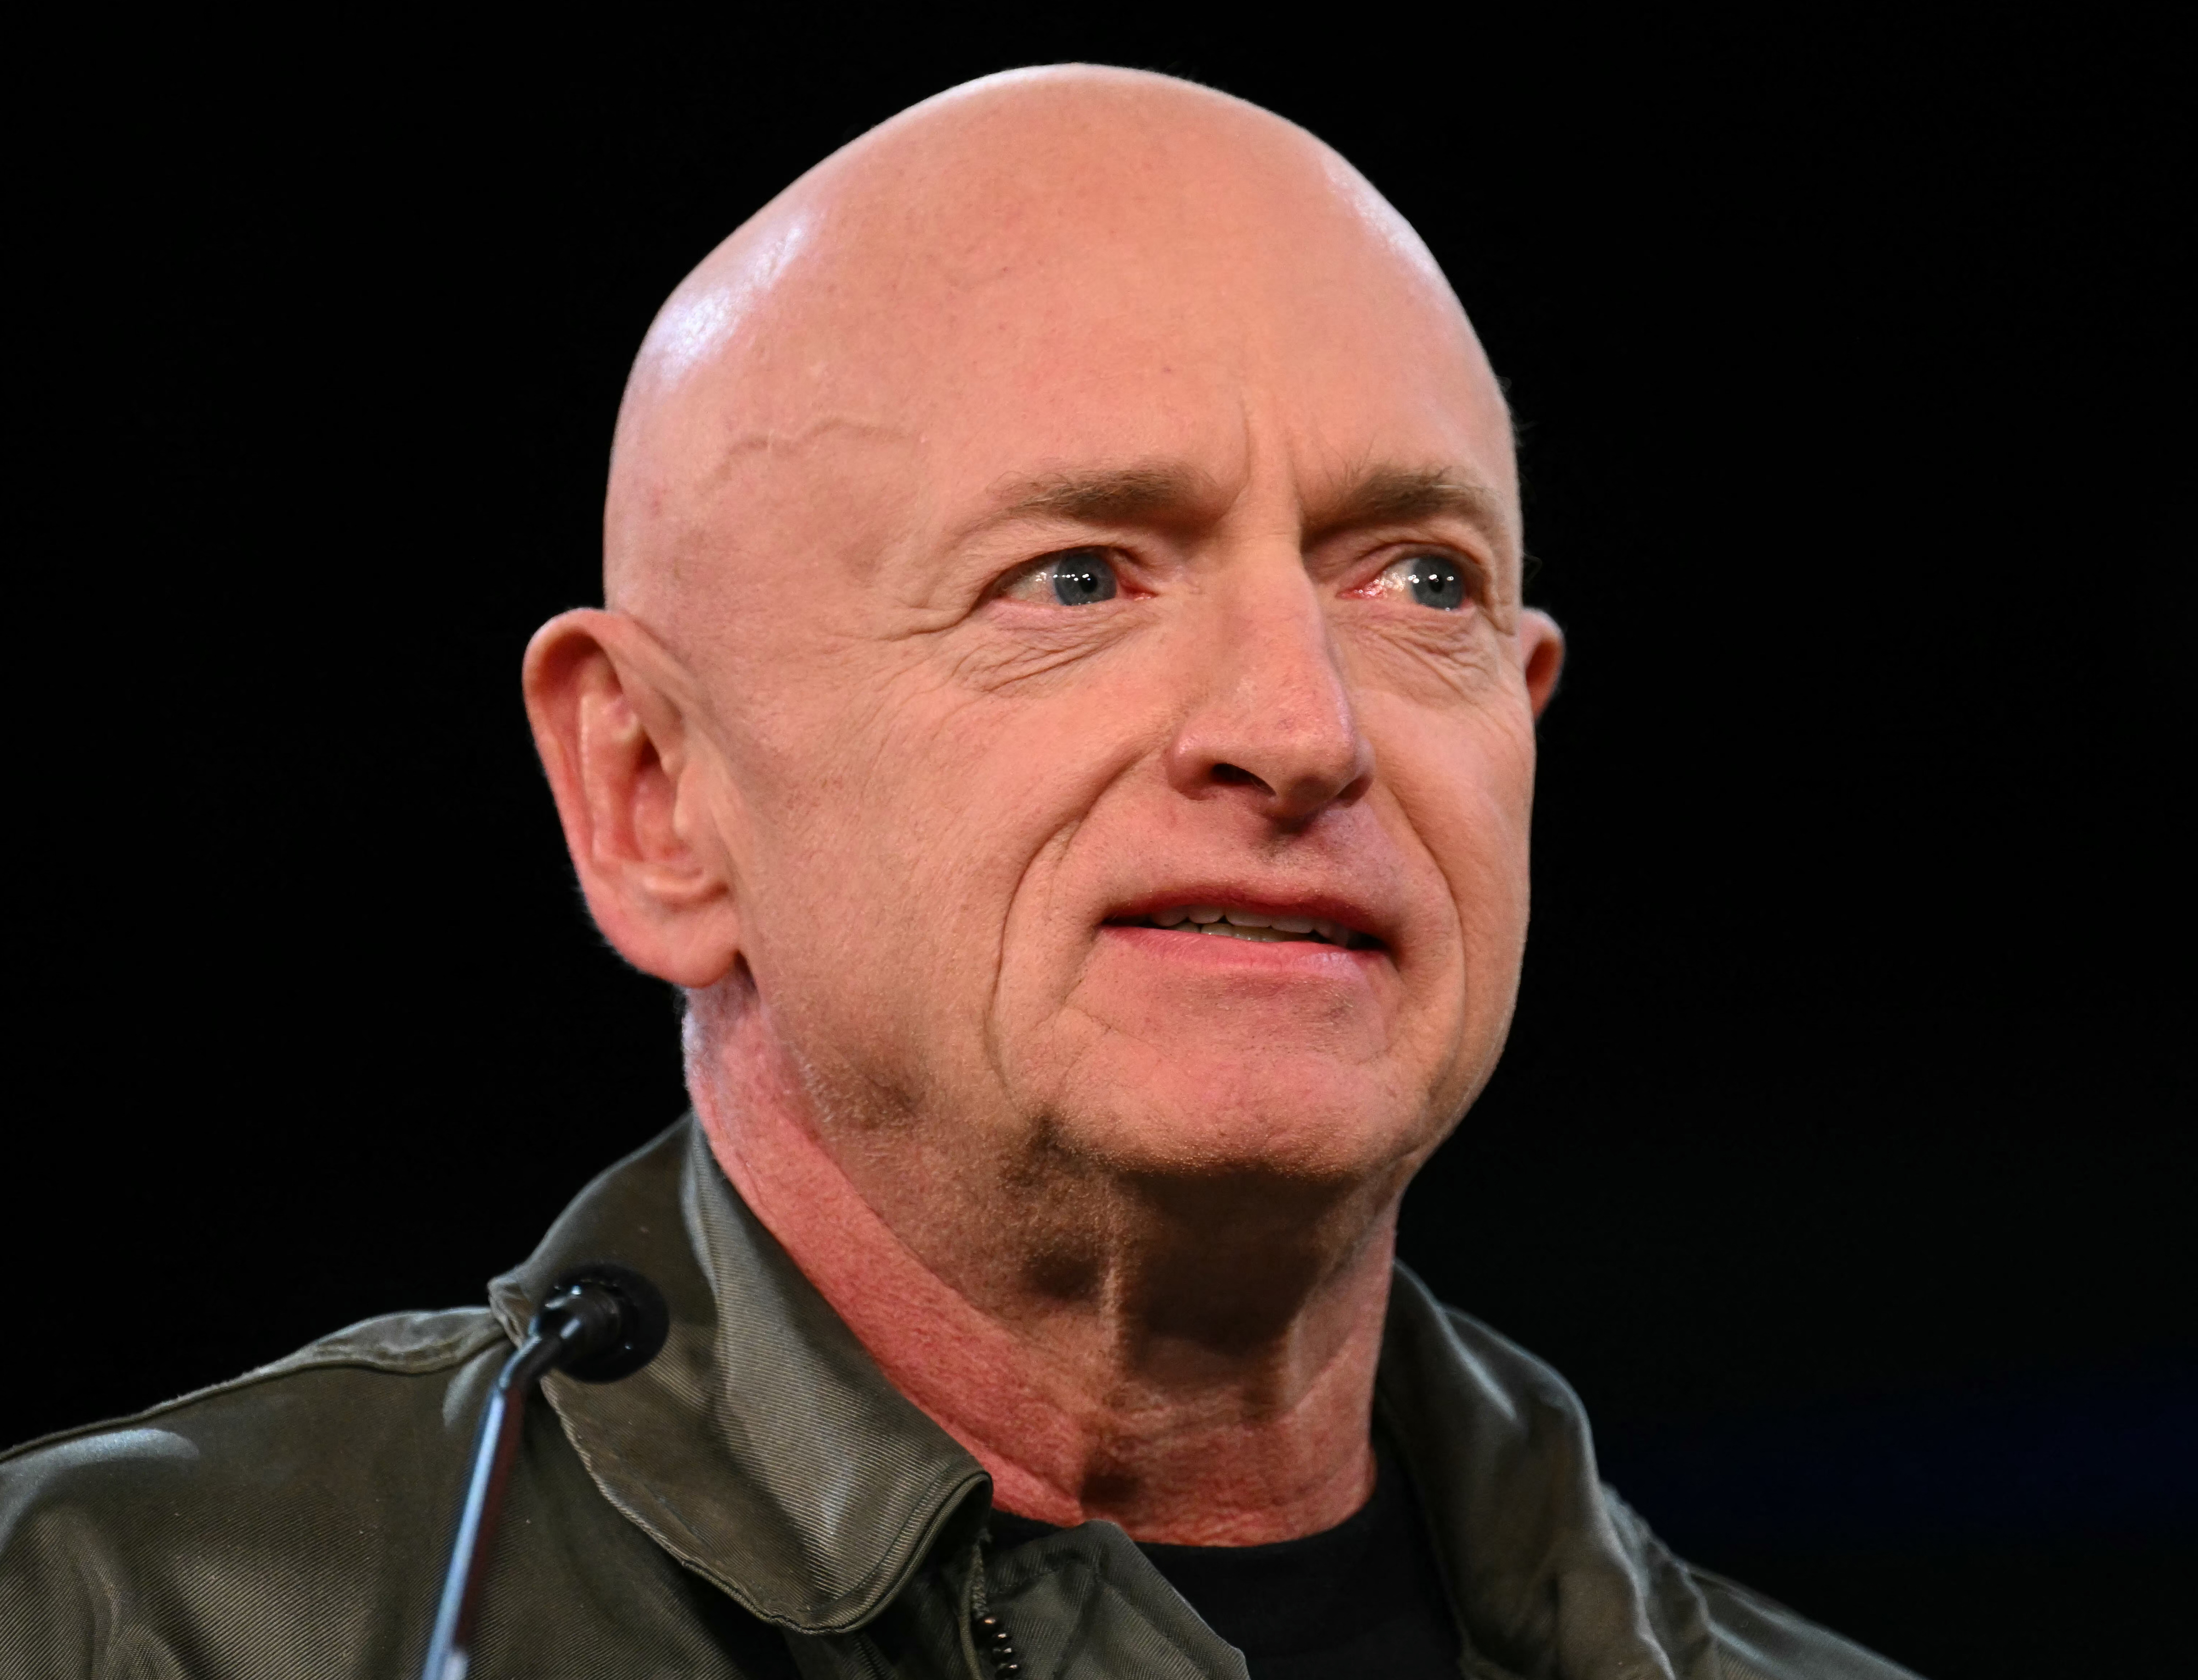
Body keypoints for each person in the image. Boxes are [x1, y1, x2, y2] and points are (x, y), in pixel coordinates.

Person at [0, 66, 1918, 1679]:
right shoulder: (114, 1623)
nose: (1304, 726)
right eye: (1076, 577)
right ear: (655, 792)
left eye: (1418, 578)